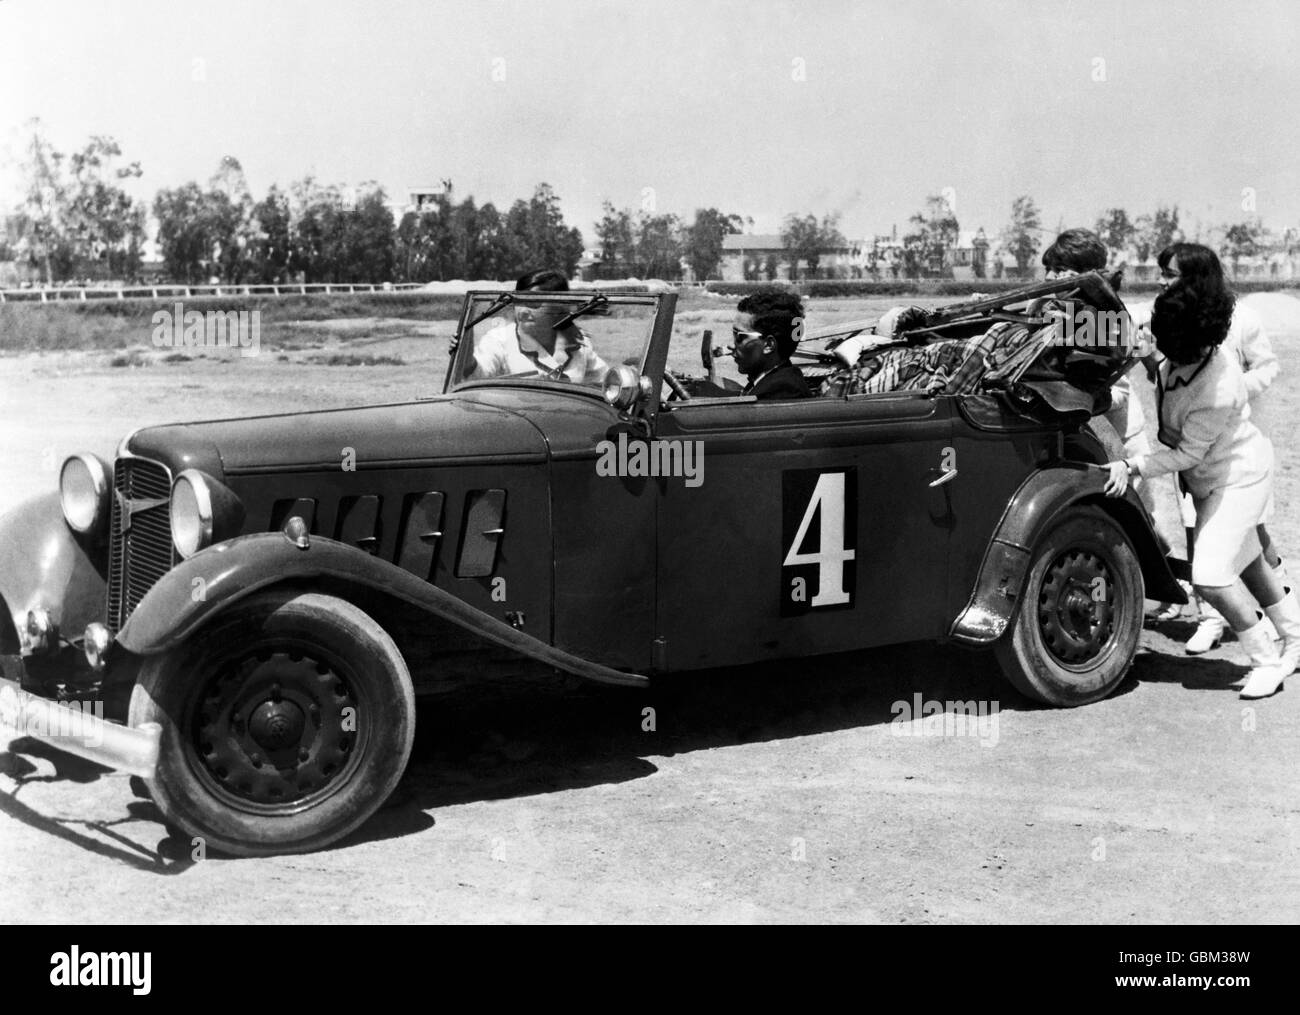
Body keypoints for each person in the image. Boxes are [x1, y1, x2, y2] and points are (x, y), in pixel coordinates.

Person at [1102, 258, 1300, 699]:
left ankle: (1265, 659)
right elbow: (1138, 332)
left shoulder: (1219, 385)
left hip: (1238, 477)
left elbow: (1185, 452)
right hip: (1211, 478)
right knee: (1247, 561)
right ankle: (1296, 637)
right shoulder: (1184, 351)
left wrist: (1132, 465)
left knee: (1210, 576)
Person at [1152, 243, 1284, 652]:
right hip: (1191, 446)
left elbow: (1268, 365)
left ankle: (1280, 620)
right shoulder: (1167, 313)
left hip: (1232, 444)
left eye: (1170, 274)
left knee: (1253, 537)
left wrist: (1231, 394)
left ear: (1196, 277)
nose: (1162, 281)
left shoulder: (1240, 317)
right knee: (1197, 531)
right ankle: (1210, 618)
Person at [468, 269, 608, 384]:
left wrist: (627, 374)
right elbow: (476, 375)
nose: (522, 311)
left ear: (558, 306)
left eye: (533, 303)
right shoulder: (500, 339)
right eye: (518, 301)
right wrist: (465, 346)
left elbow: (604, 380)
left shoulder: (577, 341)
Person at [728, 286, 811, 399]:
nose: (731, 345)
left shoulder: (781, 391)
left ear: (768, 345)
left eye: (740, 337)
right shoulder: (770, 381)